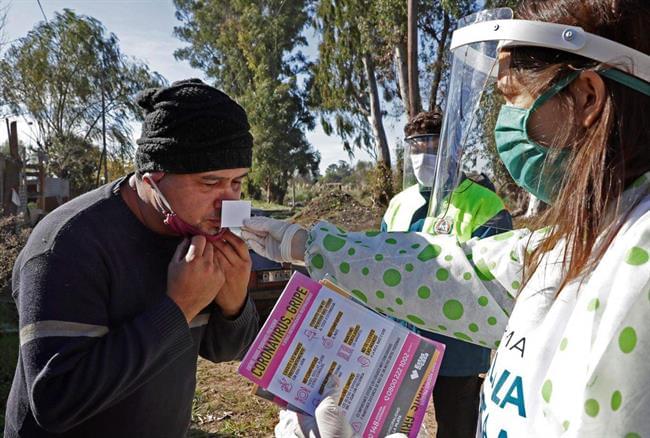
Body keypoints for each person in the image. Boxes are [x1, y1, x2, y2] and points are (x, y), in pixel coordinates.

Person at [243, 0, 650, 436]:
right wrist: (305, 244)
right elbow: (453, 269)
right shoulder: (586, 239)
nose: (504, 127)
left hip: (456, 360)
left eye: (512, 99)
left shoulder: (637, 262)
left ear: (587, 96)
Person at [4, 79, 259, 438]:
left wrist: (234, 305)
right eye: (209, 182)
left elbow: (224, 351)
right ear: (154, 175)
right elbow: (56, 402)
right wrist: (179, 308)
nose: (228, 202)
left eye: (237, 183)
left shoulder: (198, 232)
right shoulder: (67, 245)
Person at [382, 111, 512, 438]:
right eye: (415, 146)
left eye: (432, 145)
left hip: (459, 351)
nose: (422, 155)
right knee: (390, 427)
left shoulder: (485, 204)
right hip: (402, 344)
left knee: (457, 429)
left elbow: (494, 281)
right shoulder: (399, 203)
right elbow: (379, 266)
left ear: (454, 151)